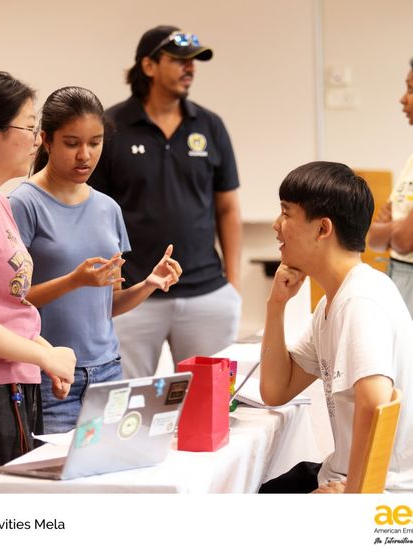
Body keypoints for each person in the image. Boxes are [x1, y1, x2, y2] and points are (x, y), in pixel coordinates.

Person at [9, 86, 182, 433]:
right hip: (50, 375)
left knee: (108, 479)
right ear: (46, 140)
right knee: (57, 484)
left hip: (107, 371)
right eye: (72, 143)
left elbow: (106, 305)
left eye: (95, 142)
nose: (85, 155)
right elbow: (11, 307)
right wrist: (73, 281)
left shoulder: (108, 208)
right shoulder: (22, 204)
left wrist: (149, 284)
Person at [89, 25, 242, 378]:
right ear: (148, 66)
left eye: (194, 61)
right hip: (132, 295)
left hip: (207, 292)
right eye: (179, 60)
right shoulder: (111, 126)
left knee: (209, 408)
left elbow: (228, 208)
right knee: (126, 409)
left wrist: (233, 284)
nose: (190, 68)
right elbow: (93, 213)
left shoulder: (210, 126)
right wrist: (111, 287)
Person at [259, 161, 413, 493]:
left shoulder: (361, 300)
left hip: (384, 490)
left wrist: (354, 497)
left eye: (286, 213)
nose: (276, 225)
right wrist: (276, 306)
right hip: (341, 473)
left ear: (323, 229)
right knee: (264, 491)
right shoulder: (333, 301)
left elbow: (375, 402)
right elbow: (275, 391)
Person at [0, 71, 75, 464]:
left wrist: (47, 351)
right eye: (29, 127)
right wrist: (44, 357)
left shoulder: (2, 204)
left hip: (17, 384)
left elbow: (10, 309)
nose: (37, 139)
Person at [368, 58, 413, 317]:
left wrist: (390, 229)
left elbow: (405, 241)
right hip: (397, 273)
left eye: (410, 89)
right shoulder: (410, 161)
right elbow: (373, 238)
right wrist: (397, 226)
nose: (402, 99)